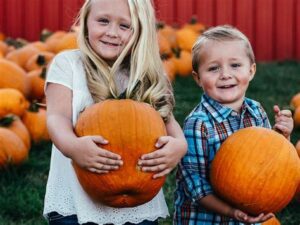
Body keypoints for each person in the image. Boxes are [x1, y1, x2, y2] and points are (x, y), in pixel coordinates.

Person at [43, 0, 187, 224]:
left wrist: (179, 144)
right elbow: (56, 117)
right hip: (77, 204)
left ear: (140, 31)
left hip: (139, 199)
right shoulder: (69, 64)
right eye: (103, 21)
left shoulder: (146, 74)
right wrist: (73, 147)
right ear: (85, 22)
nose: (112, 32)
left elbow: (168, 120)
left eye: (124, 26)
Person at [173, 25, 293, 225]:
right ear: (198, 78)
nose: (225, 74)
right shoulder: (198, 125)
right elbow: (196, 188)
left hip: (246, 213)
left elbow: (272, 162)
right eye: (213, 68)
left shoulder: (256, 111)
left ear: (251, 70)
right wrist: (232, 212)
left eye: (235, 65)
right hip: (206, 220)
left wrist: (283, 136)